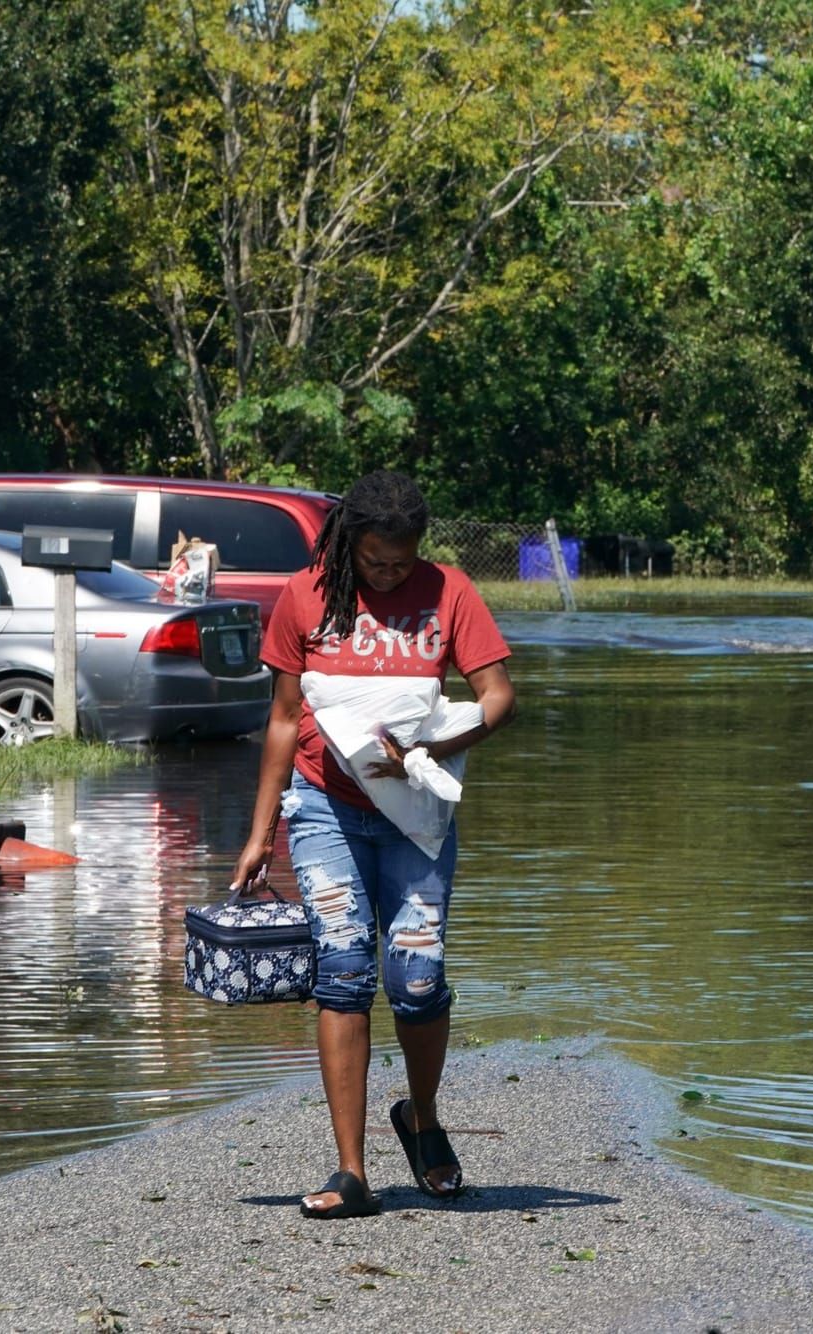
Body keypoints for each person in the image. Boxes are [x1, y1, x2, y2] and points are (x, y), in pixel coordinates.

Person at [232, 469, 517, 1219]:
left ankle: (421, 1119)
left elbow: (498, 698)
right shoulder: (304, 597)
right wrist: (260, 832)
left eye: (402, 561)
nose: (390, 574)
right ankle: (352, 1172)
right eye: (376, 561)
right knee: (346, 966)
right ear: (349, 541)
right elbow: (286, 719)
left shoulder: (449, 590)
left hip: (415, 815)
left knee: (416, 975)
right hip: (324, 805)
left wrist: (431, 747)